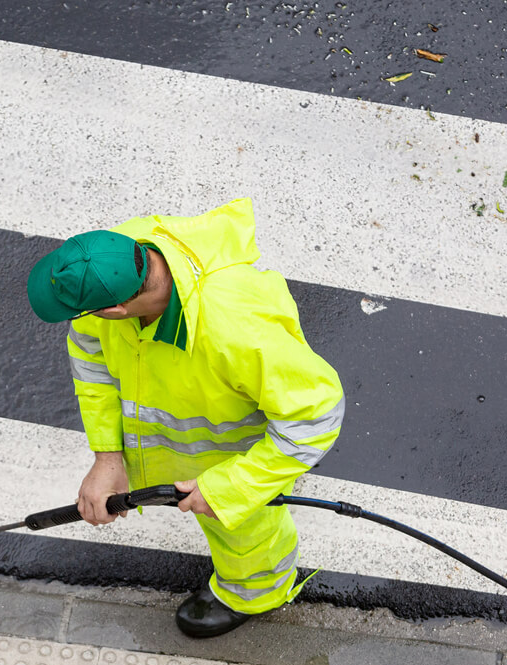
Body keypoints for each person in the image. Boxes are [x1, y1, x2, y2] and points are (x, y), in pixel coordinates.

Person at [26, 198, 344, 638]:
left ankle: (255, 593)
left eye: (85, 314)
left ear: (115, 311)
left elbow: (315, 416)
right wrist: (107, 457)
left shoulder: (238, 330)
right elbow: (91, 359)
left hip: (239, 453)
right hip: (193, 429)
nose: (81, 324)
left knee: (247, 530)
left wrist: (234, 486)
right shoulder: (117, 257)